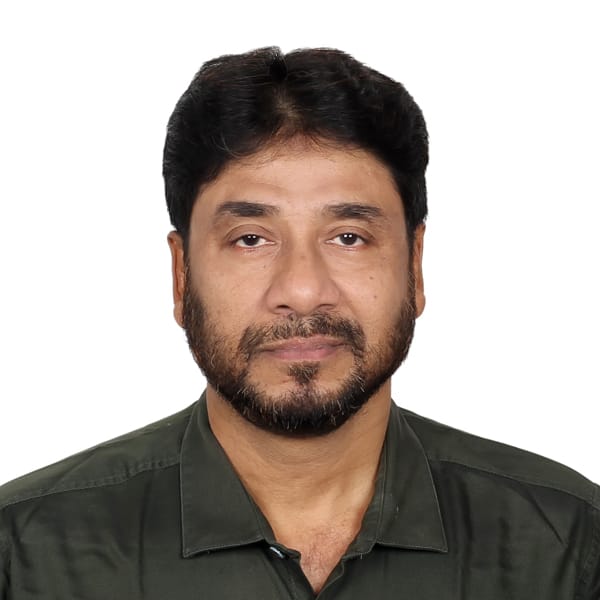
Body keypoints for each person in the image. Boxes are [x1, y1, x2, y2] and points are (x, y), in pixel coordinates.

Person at [0, 46, 598, 599]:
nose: (304, 290)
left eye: (348, 237)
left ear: (415, 267)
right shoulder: (24, 556)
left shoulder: (567, 546)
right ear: (181, 276)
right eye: (251, 238)